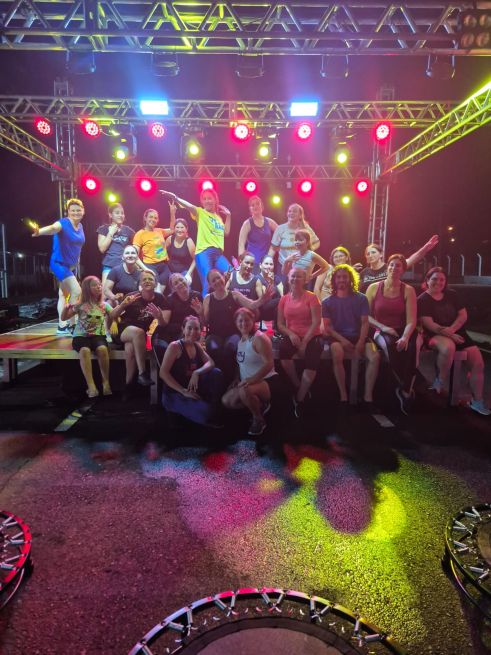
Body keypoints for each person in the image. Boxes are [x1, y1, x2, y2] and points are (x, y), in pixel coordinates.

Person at [418, 266, 490, 415]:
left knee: (478, 363)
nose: (438, 282)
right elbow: (429, 324)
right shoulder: (422, 299)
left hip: (457, 332)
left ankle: (477, 400)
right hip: (434, 334)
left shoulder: (452, 294)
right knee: (448, 347)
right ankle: (439, 380)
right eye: (434, 279)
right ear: (427, 280)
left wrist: (452, 330)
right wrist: (450, 335)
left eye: (442, 279)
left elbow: (463, 315)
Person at [366, 254, 418, 415]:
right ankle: (402, 388)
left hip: (402, 329)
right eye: (391, 264)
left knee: (411, 349)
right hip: (379, 329)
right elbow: (365, 316)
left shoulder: (408, 290)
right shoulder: (374, 287)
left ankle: (406, 391)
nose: (394, 268)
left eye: (398, 265)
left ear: (403, 270)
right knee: (391, 347)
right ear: (387, 267)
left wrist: (405, 337)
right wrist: (384, 328)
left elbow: (411, 320)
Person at [322, 264, 380, 406]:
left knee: (375, 356)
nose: (342, 280)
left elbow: (365, 323)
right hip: (337, 337)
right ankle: (343, 396)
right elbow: (328, 327)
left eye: (345, 277)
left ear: (351, 279)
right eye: (338, 277)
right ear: (334, 280)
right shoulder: (327, 302)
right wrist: (343, 341)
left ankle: (368, 397)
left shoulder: (361, 298)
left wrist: (360, 342)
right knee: (337, 353)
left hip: (359, 336)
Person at [203, 269, 273, 381]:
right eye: (213, 280)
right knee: (214, 348)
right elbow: (205, 321)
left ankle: (231, 379)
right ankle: (219, 379)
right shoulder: (208, 298)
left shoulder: (234, 295)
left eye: (218, 277)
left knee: (230, 347)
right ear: (210, 284)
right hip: (214, 334)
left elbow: (251, 304)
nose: (217, 281)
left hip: (233, 333)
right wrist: (199, 312)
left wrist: (262, 300)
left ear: (223, 277)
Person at [160, 188, 231, 294]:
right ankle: (206, 304)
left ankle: (222, 298)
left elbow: (226, 233)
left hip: (218, 254)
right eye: (204, 199)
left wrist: (228, 216)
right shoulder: (200, 212)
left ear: (215, 200)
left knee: (232, 274)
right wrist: (175, 198)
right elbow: (189, 206)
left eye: (209, 198)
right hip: (204, 252)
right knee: (208, 283)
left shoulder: (218, 218)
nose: (207, 201)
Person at [222, 308, 280, 436]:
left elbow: (269, 363)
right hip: (249, 383)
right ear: (236, 323)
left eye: (247, 320)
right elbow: (241, 363)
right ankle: (260, 406)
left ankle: (258, 419)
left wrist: (252, 379)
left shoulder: (259, 338)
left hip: (267, 381)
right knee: (226, 401)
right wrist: (236, 378)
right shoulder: (240, 341)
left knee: (244, 390)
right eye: (240, 321)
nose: (243, 323)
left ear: (253, 320)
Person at [31, 197, 85, 335]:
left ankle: (62, 326)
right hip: (59, 264)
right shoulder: (63, 223)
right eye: (73, 210)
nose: (76, 213)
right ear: (68, 212)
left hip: (71, 266)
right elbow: (53, 228)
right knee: (76, 291)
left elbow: (77, 246)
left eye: (78, 210)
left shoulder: (80, 226)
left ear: (83, 211)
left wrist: (76, 263)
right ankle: (72, 324)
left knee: (63, 294)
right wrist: (39, 231)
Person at [159, 315, 225, 427]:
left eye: (196, 328)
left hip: (190, 389)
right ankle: (175, 408)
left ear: (200, 331)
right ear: (183, 329)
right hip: (175, 393)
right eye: (189, 328)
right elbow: (163, 373)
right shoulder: (175, 346)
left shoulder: (196, 346)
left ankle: (211, 407)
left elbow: (211, 363)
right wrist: (183, 391)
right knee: (205, 413)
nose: (193, 332)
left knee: (216, 373)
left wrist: (196, 372)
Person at [277, 267, 323, 418]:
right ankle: (298, 385)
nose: (295, 279)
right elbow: (280, 324)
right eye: (293, 276)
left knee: (312, 360)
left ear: (305, 280)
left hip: (312, 335)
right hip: (292, 336)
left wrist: (305, 342)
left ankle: (299, 399)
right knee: (283, 354)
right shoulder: (284, 299)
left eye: (299, 277)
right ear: (288, 279)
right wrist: (291, 334)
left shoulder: (312, 297)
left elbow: (316, 322)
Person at [108, 270, 167, 388]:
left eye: (150, 279)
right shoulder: (132, 296)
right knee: (138, 332)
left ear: (156, 284)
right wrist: (123, 304)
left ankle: (127, 387)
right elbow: (113, 315)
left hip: (142, 337)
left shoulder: (160, 298)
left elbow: (164, 324)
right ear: (140, 283)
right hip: (124, 330)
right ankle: (142, 373)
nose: (147, 281)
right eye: (144, 279)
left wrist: (159, 317)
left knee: (130, 350)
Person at [61, 276, 112, 398]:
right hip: (81, 336)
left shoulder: (103, 305)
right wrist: (65, 309)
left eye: (100, 284)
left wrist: (122, 305)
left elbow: (114, 314)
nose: (99, 287)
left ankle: (106, 382)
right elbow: (64, 318)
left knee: (102, 349)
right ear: (87, 288)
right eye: (95, 285)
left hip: (98, 336)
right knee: (84, 350)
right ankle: (91, 386)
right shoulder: (80, 305)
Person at [152, 273, 203, 362]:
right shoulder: (170, 299)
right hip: (173, 333)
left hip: (190, 332)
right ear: (173, 288)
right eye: (176, 283)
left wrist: (200, 313)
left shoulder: (196, 296)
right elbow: (164, 323)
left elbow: (203, 322)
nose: (180, 283)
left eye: (181, 280)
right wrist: (159, 317)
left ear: (186, 280)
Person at [359, 235, 439, 292]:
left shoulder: (391, 268)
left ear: (381, 254)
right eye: (368, 254)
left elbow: (412, 259)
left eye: (373, 252)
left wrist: (425, 248)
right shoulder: (364, 273)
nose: (370, 255)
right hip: (367, 307)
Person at [269, 203, 320, 277]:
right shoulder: (280, 228)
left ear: (300, 215)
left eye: (294, 211)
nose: (291, 213)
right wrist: (268, 260)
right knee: (281, 285)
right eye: (289, 211)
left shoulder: (306, 228)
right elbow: (273, 248)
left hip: (301, 266)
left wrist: (308, 250)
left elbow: (317, 242)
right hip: (283, 265)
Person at [133, 208, 175, 292]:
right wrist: (144, 268)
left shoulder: (159, 231)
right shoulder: (140, 234)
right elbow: (134, 254)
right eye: (151, 217)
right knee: (156, 291)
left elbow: (172, 229)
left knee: (160, 293)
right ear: (145, 218)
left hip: (164, 266)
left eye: (155, 218)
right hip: (150, 266)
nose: (153, 219)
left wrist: (172, 212)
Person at [96, 203, 138, 284]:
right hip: (109, 265)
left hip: (124, 266)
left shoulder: (128, 231)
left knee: (124, 290)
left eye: (122, 213)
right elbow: (102, 249)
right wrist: (111, 233)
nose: (120, 215)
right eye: (117, 213)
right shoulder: (104, 229)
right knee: (105, 291)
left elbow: (136, 248)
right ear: (110, 215)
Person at [237, 196, 278, 271]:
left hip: (266, 263)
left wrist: (273, 249)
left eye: (257, 204)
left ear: (262, 206)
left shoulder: (269, 221)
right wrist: (241, 262)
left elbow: (281, 234)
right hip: (252, 263)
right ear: (250, 209)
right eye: (252, 205)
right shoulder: (247, 223)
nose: (255, 206)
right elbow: (241, 244)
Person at [165, 201, 196, 286]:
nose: (179, 230)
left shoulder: (189, 241)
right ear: (174, 229)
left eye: (182, 227)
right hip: (171, 272)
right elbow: (162, 251)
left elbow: (195, 259)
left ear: (186, 229)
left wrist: (189, 273)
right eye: (177, 227)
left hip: (184, 272)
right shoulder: (170, 239)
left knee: (183, 288)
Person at [258, 254, 284, 324]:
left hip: (277, 308)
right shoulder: (258, 279)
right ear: (260, 265)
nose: (269, 266)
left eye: (271, 264)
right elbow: (265, 299)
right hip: (263, 308)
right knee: (282, 301)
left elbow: (282, 295)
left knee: (284, 301)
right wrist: (271, 282)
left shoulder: (276, 278)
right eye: (266, 264)